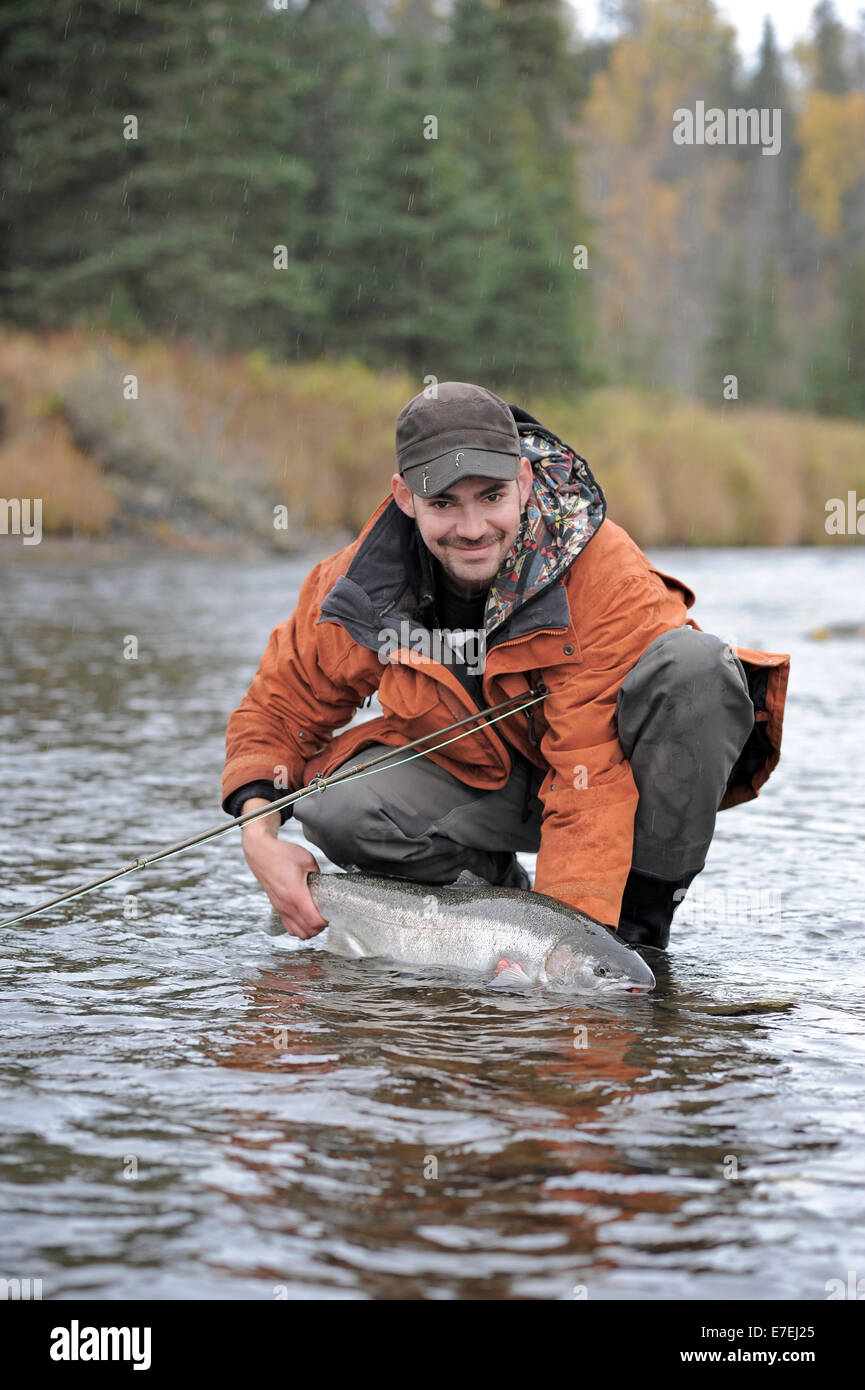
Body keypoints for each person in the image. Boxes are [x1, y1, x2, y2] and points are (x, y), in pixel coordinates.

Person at [222, 382, 789, 950]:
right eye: (444, 503)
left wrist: (570, 954)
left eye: (491, 497)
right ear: (403, 496)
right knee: (334, 802)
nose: (472, 528)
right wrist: (259, 837)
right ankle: (494, 907)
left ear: (522, 481)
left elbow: (587, 780)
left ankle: (641, 934)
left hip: (615, 778)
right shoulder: (360, 585)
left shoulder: (604, 574)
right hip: (484, 782)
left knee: (696, 668)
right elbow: (277, 711)